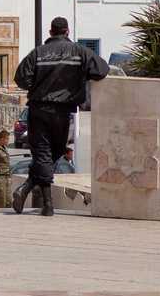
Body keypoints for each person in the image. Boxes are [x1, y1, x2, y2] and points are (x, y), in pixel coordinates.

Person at [13, 16, 109, 217]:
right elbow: (102, 70)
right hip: (63, 112)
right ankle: (47, 204)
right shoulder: (79, 52)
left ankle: (28, 189)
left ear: (50, 33)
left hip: (39, 110)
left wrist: (38, 84)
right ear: (67, 32)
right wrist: (79, 76)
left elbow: (21, 77)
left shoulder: (38, 53)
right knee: (51, 153)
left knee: (46, 154)